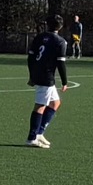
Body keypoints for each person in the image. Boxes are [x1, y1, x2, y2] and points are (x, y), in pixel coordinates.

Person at [26, 15, 70, 148]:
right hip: (47, 76)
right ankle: (32, 137)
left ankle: (39, 133)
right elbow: (61, 63)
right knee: (40, 105)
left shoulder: (39, 37)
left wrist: (32, 75)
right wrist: (64, 82)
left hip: (39, 73)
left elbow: (30, 58)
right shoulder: (60, 41)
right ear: (61, 26)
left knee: (55, 103)